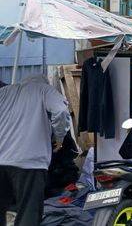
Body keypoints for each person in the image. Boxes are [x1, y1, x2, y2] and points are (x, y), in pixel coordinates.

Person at [0, 75, 70, 226]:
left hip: (1, 160)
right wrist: (59, 137)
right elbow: (61, 111)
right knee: (28, 212)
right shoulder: (44, 90)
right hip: (30, 163)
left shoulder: (5, 91)